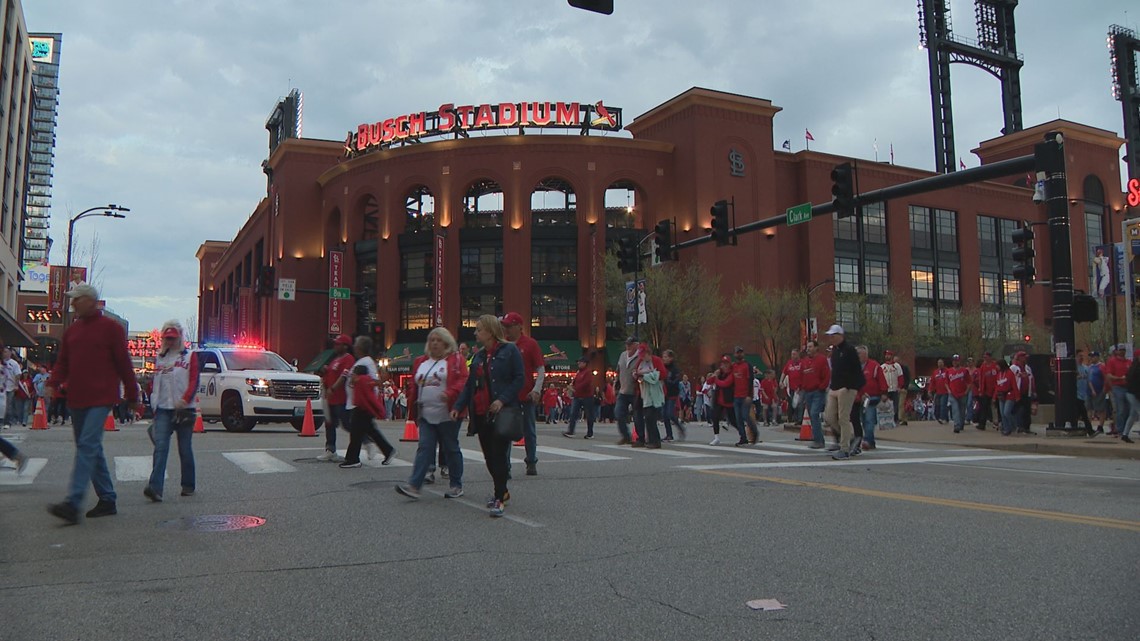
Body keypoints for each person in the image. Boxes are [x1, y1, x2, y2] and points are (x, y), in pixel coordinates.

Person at [46, 284, 142, 525]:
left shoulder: (111, 329)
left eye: (77, 299)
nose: (73, 304)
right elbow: (63, 362)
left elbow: (123, 363)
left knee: (87, 445)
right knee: (90, 448)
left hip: (101, 397)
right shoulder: (72, 332)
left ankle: (73, 502)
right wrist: (53, 382)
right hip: (77, 398)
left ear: (90, 300)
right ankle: (107, 498)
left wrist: (132, 395)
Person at [453, 314, 523, 518]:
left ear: (490, 332)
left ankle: (499, 497)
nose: (475, 333)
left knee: (499, 454)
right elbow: (469, 386)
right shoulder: (479, 356)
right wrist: (459, 406)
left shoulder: (509, 350)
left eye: (479, 329)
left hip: (501, 411)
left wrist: (502, 399)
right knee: (489, 457)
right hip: (481, 412)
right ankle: (503, 490)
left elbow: (519, 378)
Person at [396, 327, 468, 500]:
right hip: (426, 413)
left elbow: (463, 381)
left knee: (451, 448)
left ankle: (456, 484)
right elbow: (414, 385)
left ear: (446, 342)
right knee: (425, 448)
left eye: (438, 340)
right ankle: (414, 485)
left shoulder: (455, 360)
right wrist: (413, 406)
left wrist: (449, 394)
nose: (434, 343)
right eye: (432, 340)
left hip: (448, 413)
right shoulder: (421, 361)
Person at [144, 321, 200, 502]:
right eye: (167, 338)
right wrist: (153, 404)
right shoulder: (160, 358)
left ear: (179, 337)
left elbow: (194, 380)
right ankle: (155, 487)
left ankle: (188, 485)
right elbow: (155, 383)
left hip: (184, 409)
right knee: (160, 448)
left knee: (184, 448)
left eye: (173, 338)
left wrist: (186, 399)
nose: (170, 341)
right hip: (162, 409)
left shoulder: (189, 356)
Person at [339, 336, 395, 468]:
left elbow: (370, 382)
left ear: (359, 348)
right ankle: (387, 450)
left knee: (357, 431)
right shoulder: (364, 361)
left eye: (356, 345)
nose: (354, 347)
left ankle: (353, 459)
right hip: (359, 401)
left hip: (362, 403)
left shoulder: (365, 362)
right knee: (365, 430)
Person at [501, 312, 544, 476]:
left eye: (509, 326)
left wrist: (536, 390)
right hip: (508, 396)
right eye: (505, 326)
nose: (507, 330)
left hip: (526, 395)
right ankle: (505, 465)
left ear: (519, 327)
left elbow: (540, 369)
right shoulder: (503, 345)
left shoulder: (530, 344)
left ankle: (531, 461)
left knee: (529, 430)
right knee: (505, 430)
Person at [822, 325, 862, 459]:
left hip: (846, 388)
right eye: (830, 336)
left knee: (843, 418)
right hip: (835, 387)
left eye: (833, 335)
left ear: (840, 335)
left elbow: (857, 370)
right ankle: (850, 439)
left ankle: (844, 449)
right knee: (829, 417)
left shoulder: (850, 350)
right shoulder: (835, 351)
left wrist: (850, 386)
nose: (831, 338)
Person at [318, 334, 355, 462]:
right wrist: (325, 370)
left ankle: (365, 439)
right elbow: (331, 374)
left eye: (338, 344)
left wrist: (333, 388)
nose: (335, 346)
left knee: (346, 424)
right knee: (329, 424)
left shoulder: (348, 359)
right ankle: (330, 450)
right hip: (330, 398)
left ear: (345, 346)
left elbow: (344, 376)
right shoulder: (335, 359)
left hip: (341, 398)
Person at [632, 343, 666, 449]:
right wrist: (636, 375)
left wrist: (645, 375)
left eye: (644, 355)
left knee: (650, 417)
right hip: (642, 392)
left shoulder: (656, 361)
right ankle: (641, 438)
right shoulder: (640, 362)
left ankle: (654, 440)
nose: (642, 357)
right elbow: (636, 373)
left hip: (653, 393)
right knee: (637, 415)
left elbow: (662, 374)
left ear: (648, 353)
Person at [857, 346, 887, 450]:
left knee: (869, 419)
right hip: (860, 398)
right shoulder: (855, 367)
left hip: (872, 397)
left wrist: (884, 393)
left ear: (865, 355)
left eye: (859, 354)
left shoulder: (874, 366)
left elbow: (881, 379)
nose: (858, 356)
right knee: (864, 420)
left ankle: (867, 441)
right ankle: (871, 441)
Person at [801, 340, 829, 449]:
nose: (808, 349)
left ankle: (819, 440)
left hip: (818, 391)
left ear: (816, 348)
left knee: (814, 414)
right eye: (807, 347)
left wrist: (822, 387)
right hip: (807, 392)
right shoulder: (804, 361)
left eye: (810, 346)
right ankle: (818, 439)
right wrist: (801, 388)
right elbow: (802, 375)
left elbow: (826, 375)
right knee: (812, 416)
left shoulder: (822, 360)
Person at [563, 356, 598, 439]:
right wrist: (571, 386)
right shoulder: (578, 373)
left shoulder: (588, 372)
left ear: (585, 363)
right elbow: (574, 382)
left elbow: (586, 383)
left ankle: (590, 433)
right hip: (577, 396)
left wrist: (575, 388)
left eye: (580, 362)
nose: (578, 363)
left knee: (589, 415)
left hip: (587, 396)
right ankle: (571, 431)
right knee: (573, 414)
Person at [730, 347, 759, 444]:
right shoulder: (733, 366)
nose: (739, 354)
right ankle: (743, 438)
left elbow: (750, 380)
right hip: (736, 395)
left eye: (740, 353)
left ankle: (754, 432)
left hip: (745, 396)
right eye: (737, 353)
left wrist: (749, 395)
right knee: (738, 418)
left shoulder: (747, 365)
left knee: (745, 415)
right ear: (734, 354)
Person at [613, 337, 638, 444]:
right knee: (618, 413)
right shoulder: (623, 355)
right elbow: (618, 370)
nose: (628, 346)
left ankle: (639, 437)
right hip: (623, 390)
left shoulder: (640, 356)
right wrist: (615, 384)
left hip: (635, 391)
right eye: (627, 344)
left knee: (637, 415)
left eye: (630, 344)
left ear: (636, 345)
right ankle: (625, 436)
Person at [1104, 345, 1129, 436]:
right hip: (1117, 387)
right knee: (1120, 409)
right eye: (1120, 350)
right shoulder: (1112, 361)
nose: (1122, 351)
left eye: (1124, 350)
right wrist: (1119, 378)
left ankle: (1125, 429)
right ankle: (1119, 429)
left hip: (1128, 387)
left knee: (1128, 409)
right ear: (1117, 351)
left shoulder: (1128, 362)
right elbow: (1108, 375)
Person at [661, 349, 685, 441]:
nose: (664, 359)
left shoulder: (674, 369)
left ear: (671, 358)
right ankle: (669, 434)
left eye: (666, 357)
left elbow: (676, 381)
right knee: (664, 414)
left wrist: (667, 381)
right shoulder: (662, 367)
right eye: (663, 357)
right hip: (664, 393)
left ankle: (680, 427)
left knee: (670, 413)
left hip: (672, 394)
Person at [947, 355, 972, 433]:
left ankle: (961, 424)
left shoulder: (964, 371)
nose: (955, 362)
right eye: (954, 361)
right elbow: (946, 382)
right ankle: (956, 425)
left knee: (962, 410)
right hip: (953, 394)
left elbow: (969, 382)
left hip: (963, 393)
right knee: (955, 409)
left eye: (957, 360)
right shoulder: (949, 371)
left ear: (959, 361)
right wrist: (948, 390)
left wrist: (966, 391)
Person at [975, 352, 999, 430]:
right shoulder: (983, 366)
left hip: (995, 389)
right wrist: (981, 390)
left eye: (986, 357)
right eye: (984, 357)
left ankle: (999, 422)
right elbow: (981, 379)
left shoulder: (995, 366)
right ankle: (982, 424)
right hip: (986, 391)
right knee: (983, 407)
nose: (985, 359)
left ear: (990, 357)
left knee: (997, 407)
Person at [1119, 350, 1140, 444]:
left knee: (1133, 415)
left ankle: (1125, 434)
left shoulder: (1133, 368)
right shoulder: (1136, 369)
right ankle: (1124, 434)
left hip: (1132, 393)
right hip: (1133, 394)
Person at [995, 360, 1020, 435]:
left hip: (1009, 395)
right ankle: (1006, 428)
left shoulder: (1009, 373)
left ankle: (1014, 425)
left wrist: (1017, 395)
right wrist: (994, 396)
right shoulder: (999, 374)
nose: (997, 367)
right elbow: (996, 386)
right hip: (1000, 395)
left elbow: (1014, 384)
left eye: (998, 365)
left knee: (1006, 412)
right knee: (1002, 414)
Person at [881, 351, 904, 426]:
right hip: (886, 390)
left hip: (894, 389)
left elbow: (900, 377)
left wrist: (900, 387)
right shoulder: (882, 367)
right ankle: (887, 420)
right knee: (886, 405)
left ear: (891, 356)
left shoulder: (896, 366)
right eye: (886, 355)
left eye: (888, 355)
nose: (887, 356)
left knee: (895, 405)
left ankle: (895, 419)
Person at [781, 348, 803, 426]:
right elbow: (784, 372)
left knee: (800, 403)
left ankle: (800, 419)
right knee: (794, 404)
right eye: (792, 354)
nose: (792, 356)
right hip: (792, 387)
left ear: (798, 354)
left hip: (800, 388)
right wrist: (781, 381)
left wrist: (800, 386)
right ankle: (796, 418)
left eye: (794, 354)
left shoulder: (802, 363)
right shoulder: (789, 363)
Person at [1087, 351, 1107, 433]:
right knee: (1089, 408)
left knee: (1101, 409)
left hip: (1099, 390)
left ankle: (1101, 426)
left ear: (1097, 357)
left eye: (1093, 356)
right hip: (1089, 391)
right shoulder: (1090, 367)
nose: (1091, 358)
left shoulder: (1101, 366)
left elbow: (1106, 378)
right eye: (1091, 356)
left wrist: (1104, 390)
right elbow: (1089, 379)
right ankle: (1088, 426)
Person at [1, 348, 20, 427]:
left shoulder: (14, 363)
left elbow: (17, 374)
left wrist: (16, 385)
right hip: (1, 387)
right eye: (3, 352)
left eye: (6, 352)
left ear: (10, 353)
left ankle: (7, 422)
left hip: (10, 387)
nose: (4, 353)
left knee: (8, 405)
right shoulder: (1, 363)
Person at [931, 358, 949, 424]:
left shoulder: (947, 371)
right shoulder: (935, 372)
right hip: (938, 391)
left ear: (943, 363)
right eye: (939, 363)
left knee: (943, 404)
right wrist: (930, 390)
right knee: (937, 405)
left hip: (945, 391)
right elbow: (932, 382)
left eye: (941, 363)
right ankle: (946, 418)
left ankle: (942, 418)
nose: (940, 364)